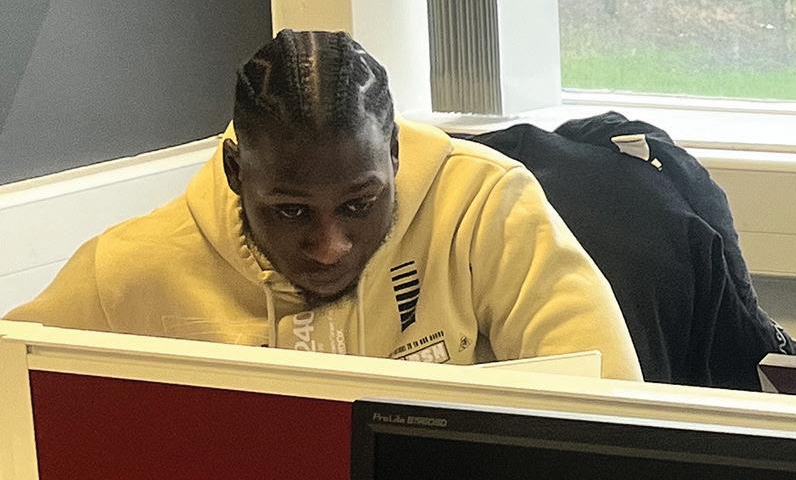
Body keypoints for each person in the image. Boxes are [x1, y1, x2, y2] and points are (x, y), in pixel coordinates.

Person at [10, 30, 642, 381]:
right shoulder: (131, 271)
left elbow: (614, 411)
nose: (330, 245)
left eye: (359, 205)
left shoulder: (484, 209)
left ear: (394, 157)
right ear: (236, 174)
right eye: (291, 211)